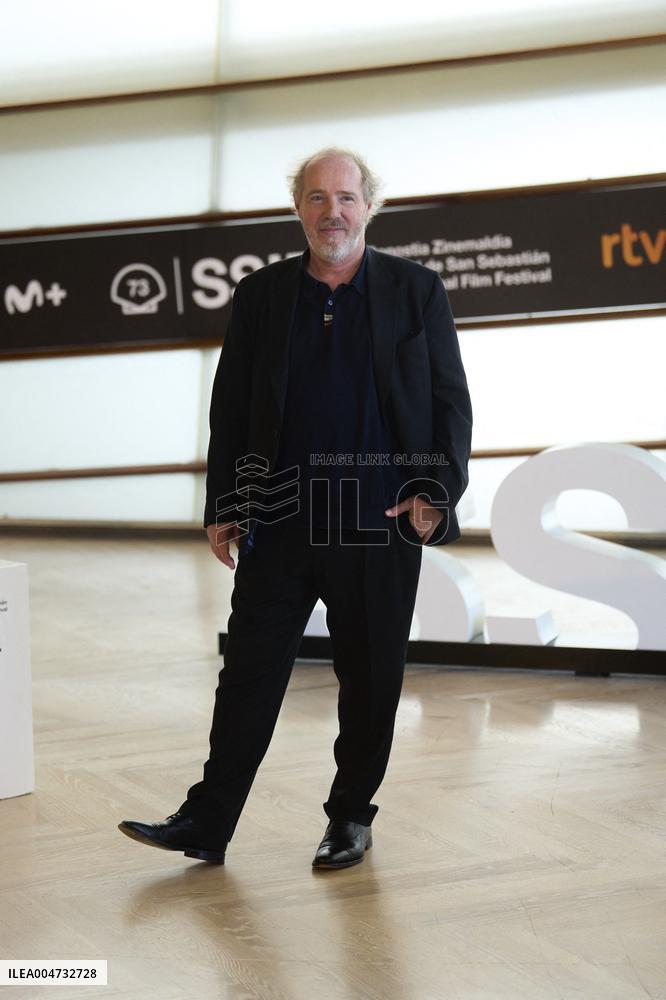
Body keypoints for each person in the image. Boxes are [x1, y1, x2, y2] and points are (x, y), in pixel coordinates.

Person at [119, 147, 472, 870]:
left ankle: (350, 817)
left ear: (369, 206)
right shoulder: (263, 296)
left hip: (380, 523)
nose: (331, 211)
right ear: (298, 209)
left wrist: (434, 493)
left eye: (345, 197)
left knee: (371, 679)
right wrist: (225, 504)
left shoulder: (416, 292)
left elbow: (448, 404)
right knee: (247, 673)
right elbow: (232, 409)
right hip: (280, 522)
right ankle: (208, 821)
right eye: (316, 198)